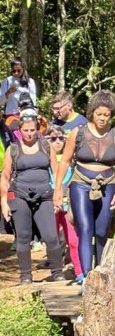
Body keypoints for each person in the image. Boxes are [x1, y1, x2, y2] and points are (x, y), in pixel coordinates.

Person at [53, 90, 115, 277]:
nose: (102, 118)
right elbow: (65, 161)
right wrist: (58, 189)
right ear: (92, 113)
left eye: (106, 115)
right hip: (80, 183)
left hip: (108, 184)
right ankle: (86, 276)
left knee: (102, 230)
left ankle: (100, 272)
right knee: (85, 228)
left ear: (112, 115)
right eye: (99, 114)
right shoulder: (78, 133)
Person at [1, 108, 65, 284]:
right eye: (25, 130)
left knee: (50, 235)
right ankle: (26, 276)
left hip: (44, 194)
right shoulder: (13, 149)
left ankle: (57, 272)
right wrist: (4, 202)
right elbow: (5, 176)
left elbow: (56, 170)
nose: (29, 134)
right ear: (19, 131)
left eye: (32, 130)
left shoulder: (46, 146)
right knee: (23, 236)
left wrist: (58, 193)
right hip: (20, 195)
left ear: (37, 129)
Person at [47, 125, 83, 283]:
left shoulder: (73, 160)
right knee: (52, 239)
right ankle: (56, 271)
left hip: (69, 206)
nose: (57, 142)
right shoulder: (43, 160)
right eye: (53, 139)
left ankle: (80, 272)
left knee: (73, 240)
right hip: (50, 205)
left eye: (61, 138)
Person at [0, 58, 37, 124]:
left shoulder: (30, 82)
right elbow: (1, 102)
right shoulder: (7, 81)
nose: (16, 73)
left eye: (18, 70)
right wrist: (8, 92)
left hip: (26, 115)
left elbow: (33, 101)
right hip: (11, 115)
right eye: (14, 71)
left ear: (23, 69)